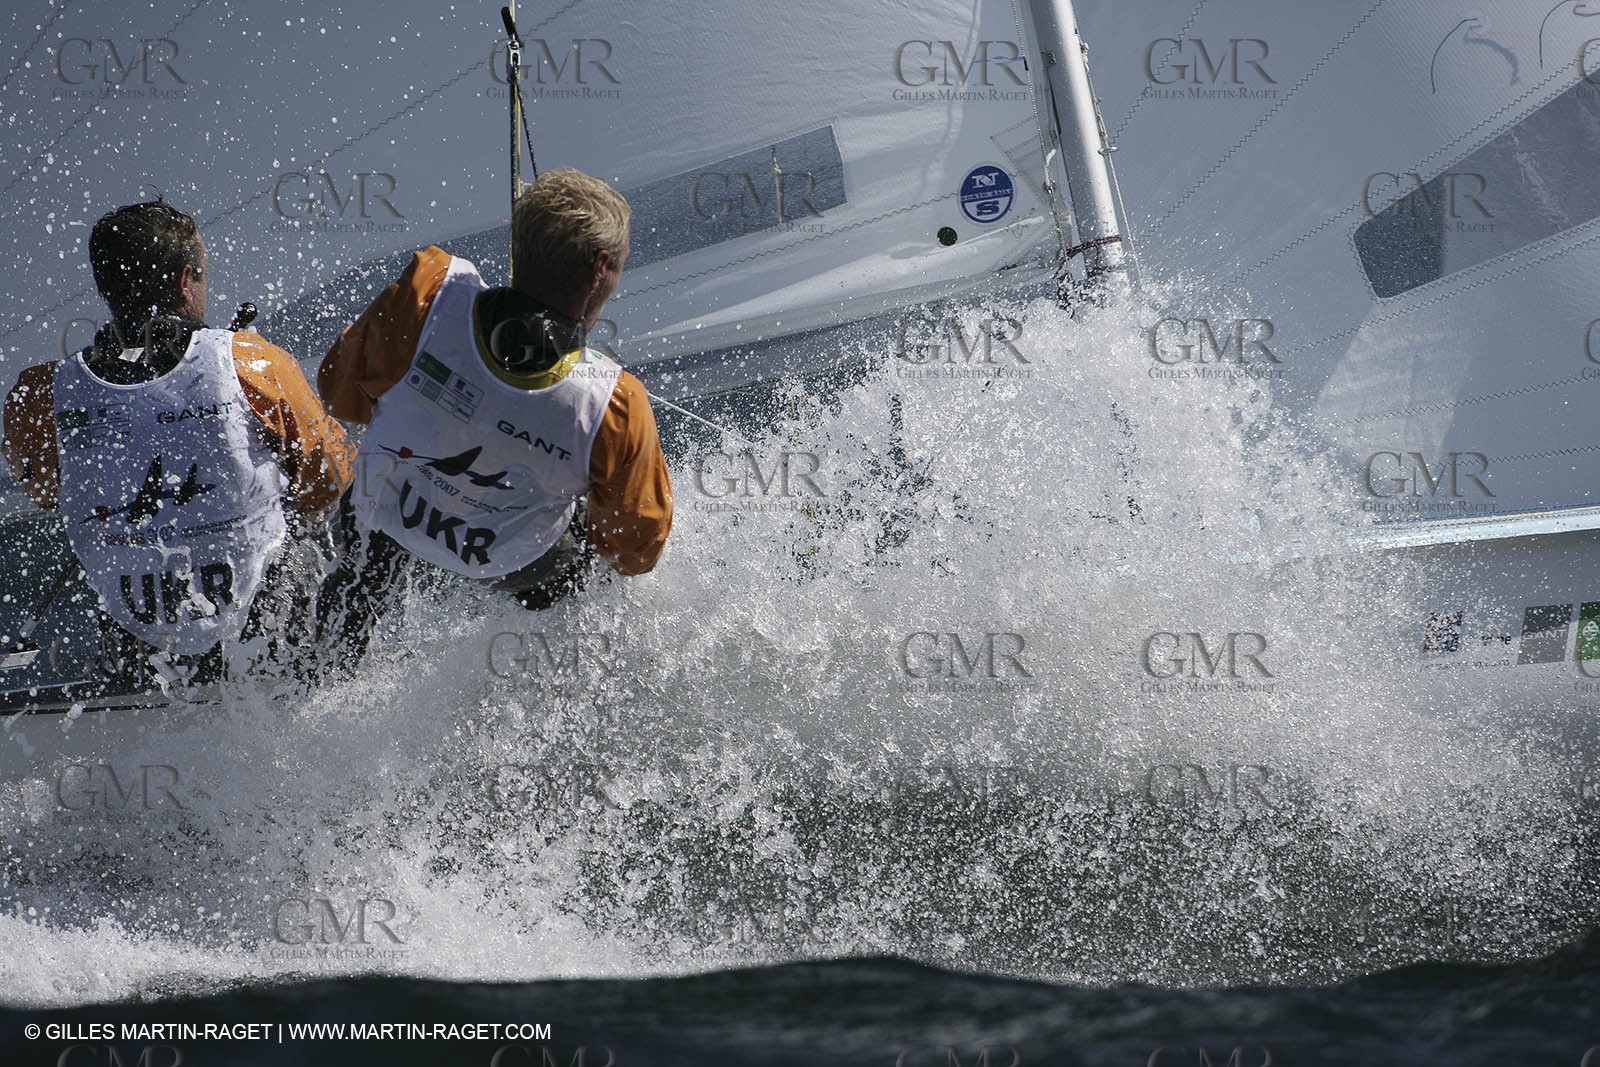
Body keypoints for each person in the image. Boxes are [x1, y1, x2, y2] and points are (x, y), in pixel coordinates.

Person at [315, 168, 672, 649]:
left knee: (373, 516)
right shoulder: (614, 403)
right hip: (509, 562)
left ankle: (325, 666)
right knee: (603, 575)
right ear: (599, 267)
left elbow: (342, 395)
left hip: (388, 514)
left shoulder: (430, 292)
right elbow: (634, 551)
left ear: (518, 246)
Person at [1, 200, 352, 666]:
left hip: (143, 654)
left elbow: (48, 493)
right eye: (202, 275)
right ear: (184, 280)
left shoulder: (42, 392)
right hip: (267, 640)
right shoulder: (253, 361)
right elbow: (332, 478)